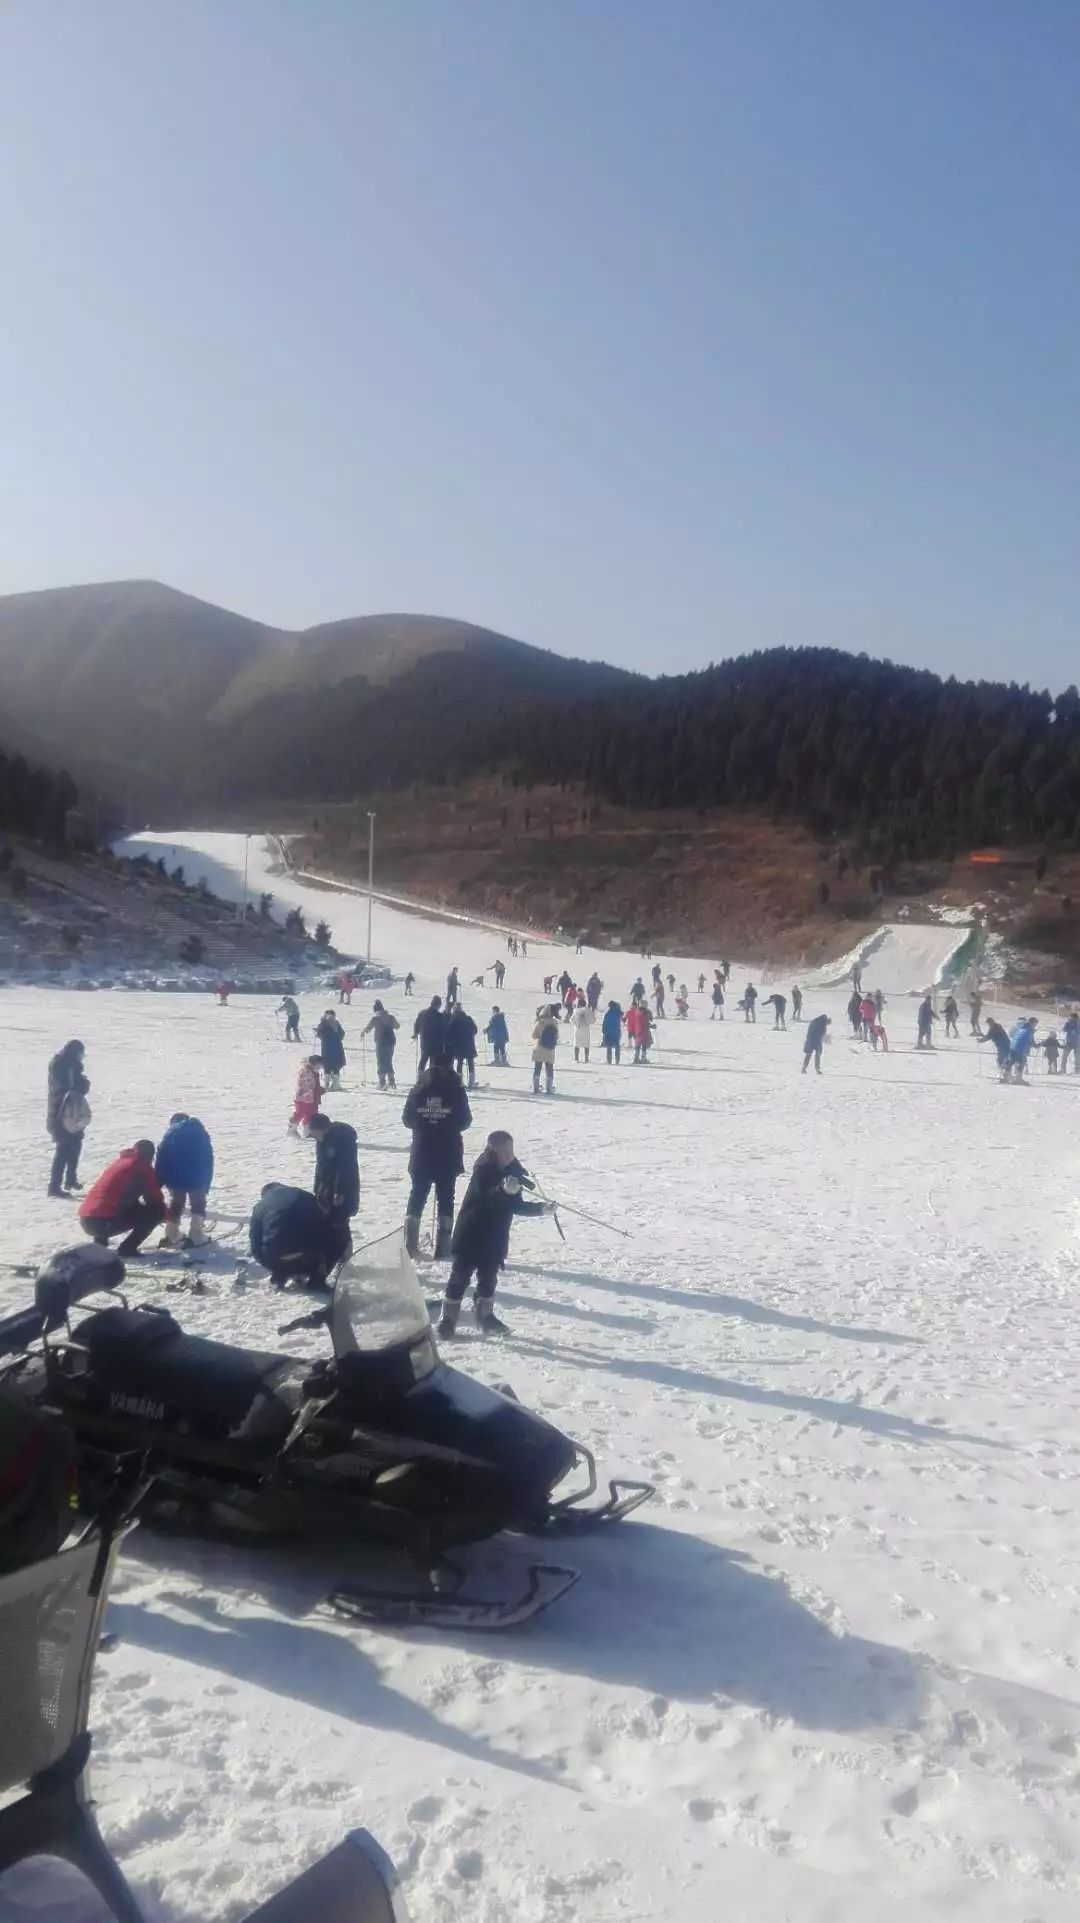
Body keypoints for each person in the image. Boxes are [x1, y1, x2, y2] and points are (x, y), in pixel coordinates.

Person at [435, 1130, 554, 1337]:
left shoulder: (513, 1173)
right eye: (504, 1151)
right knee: (460, 1276)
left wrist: (541, 1209)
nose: (509, 1155)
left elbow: (516, 1206)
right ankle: (448, 1318)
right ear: (492, 1150)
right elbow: (486, 1197)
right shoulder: (483, 1169)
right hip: (471, 1235)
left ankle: (485, 1316)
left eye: (511, 1150)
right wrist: (503, 1189)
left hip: (494, 1238)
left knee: (489, 1277)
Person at [402, 1054, 472, 1258]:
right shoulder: (456, 1089)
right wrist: (445, 1124)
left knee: (417, 1195)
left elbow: (407, 1119)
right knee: (446, 1197)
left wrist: (426, 1124)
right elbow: (465, 1121)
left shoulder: (419, 1088)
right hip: (447, 1150)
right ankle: (443, 1246)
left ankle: (410, 1244)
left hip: (422, 1149)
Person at [249, 1182, 349, 1291]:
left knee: (274, 1245)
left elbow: (255, 1244)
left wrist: (271, 1264)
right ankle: (317, 1278)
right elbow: (324, 1224)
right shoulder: (302, 1195)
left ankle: (280, 1273)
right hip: (306, 1257)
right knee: (338, 1233)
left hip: (275, 1258)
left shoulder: (259, 1207)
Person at [79, 1141, 166, 1255]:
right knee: (157, 1211)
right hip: (104, 1224)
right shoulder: (142, 1167)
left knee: (115, 1201)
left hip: (87, 1220)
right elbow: (155, 1199)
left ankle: (100, 1243)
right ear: (151, 1155)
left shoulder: (120, 1163)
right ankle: (127, 1248)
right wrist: (168, 1215)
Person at [155, 1113, 214, 1249]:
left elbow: (161, 1157)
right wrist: (206, 1182)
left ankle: (171, 1234)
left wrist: (159, 1180)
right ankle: (196, 1234)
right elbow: (208, 1158)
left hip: (175, 1176)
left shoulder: (169, 1134)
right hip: (196, 1175)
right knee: (198, 1203)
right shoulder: (200, 1132)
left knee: (176, 1203)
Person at [46, 1039, 90, 1199]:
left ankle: (70, 1179)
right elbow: (65, 1087)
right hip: (61, 1113)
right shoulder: (61, 1065)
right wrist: (82, 1084)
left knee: (75, 1145)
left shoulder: (71, 1066)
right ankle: (54, 1186)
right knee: (63, 1149)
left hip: (73, 1113)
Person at [307, 1114, 360, 1243]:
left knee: (340, 1221)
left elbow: (344, 1168)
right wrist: (317, 1188)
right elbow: (320, 1166)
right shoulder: (322, 1140)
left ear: (320, 1129)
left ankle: (344, 1253)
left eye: (313, 1132)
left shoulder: (341, 1140)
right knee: (327, 1220)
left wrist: (339, 1191)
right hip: (325, 1187)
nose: (312, 1136)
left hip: (342, 1189)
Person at [363, 1000, 400, 1089]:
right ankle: (392, 1081)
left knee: (381, 1061)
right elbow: (397, 1026)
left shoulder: (375, 1018)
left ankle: (382, 1082)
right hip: (391, 1042)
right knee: (388, 1060)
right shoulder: (391, 1017)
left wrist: (363, 1032)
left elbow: (368, 1029)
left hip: (380, 1042)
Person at [447, 1003, 479, 1088]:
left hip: (459, 1045)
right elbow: (475, 1030)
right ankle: (471, 1082)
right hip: (469, 1044)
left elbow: (449, 1032)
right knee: (470, 1063)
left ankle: (459, 1082)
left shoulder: (453, 1020)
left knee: (459, 1063)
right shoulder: (468, 1018)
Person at [289, 1056, 323, 1134]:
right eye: (319, 1065)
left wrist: (318, 1090)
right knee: (300, 1113)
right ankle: (292, 1129)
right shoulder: (306, 1072)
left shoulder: (314, 1072)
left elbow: (314, 1084)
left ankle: (307, 1130)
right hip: (303, 1098)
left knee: (311, 1114)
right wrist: (314, 1091)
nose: (320, 1067)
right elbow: (304, 1085)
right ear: (313, 1064)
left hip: (312, 1098)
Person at [413, 995, 447, 1073]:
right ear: (438, 1005)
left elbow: (417, 1024)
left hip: (425, 1042)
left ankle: (420, 1076)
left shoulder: (422, 1013)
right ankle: (431, 1078)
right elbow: (443, 1029)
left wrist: (416, 1033)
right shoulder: (439, 1016)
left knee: (423, 1059)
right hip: (436, 1043)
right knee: (433, 1062)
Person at [531, 1006, 560, 1095]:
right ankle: (549, 1088)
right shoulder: (555, 1022)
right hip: (550, 1048)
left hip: (540, 1047)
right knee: (549, 1068)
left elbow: (534, 1035)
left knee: (537, 1068)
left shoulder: (540, 1022)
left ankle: (536, 1088)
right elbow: (557, 1036)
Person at [315, 1009, 347, 1090]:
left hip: (326, 1047)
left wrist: (317, 1033)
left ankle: (326, 1083)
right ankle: (335, 1083)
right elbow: (342, 1034)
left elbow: (319, 1033)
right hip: (337, 1047)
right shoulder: (336, 1023)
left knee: (327, 1064)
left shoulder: (323, 1023)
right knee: (336, 1064)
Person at [1007, 1016, 1038, 1083]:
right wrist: (1040, 1044)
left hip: (1013, 1047)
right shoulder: (1029, 1030)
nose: (1035, 1026)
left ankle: (1005, 1077)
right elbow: (1033, 1044)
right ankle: (1018, 1079)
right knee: (1021, 1063)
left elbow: (1012, 1034)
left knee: (1011, 1062)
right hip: (1021, 1049)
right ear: (1032, 1023)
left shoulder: (1021, 1028)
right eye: (1035, 1024)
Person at [626, 1000, 654, 1064]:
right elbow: (646, 1022)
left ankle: (636, 1058)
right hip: (644, 1030)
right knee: (644, 1044)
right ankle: (643, 1058)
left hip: (637, 1030)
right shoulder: (645, 1012)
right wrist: (652, 1026)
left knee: (638, 1044)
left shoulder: (637, 1011)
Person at [601, 1000, 623, 1064]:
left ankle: (609, 1060)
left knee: (609, 1047)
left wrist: (603, 1031)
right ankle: (617, 1059)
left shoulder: (607, 1014)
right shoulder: (618, 1013)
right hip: (616, 1032)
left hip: (609, 1032)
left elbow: (605, 1023)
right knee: (617, 1046)